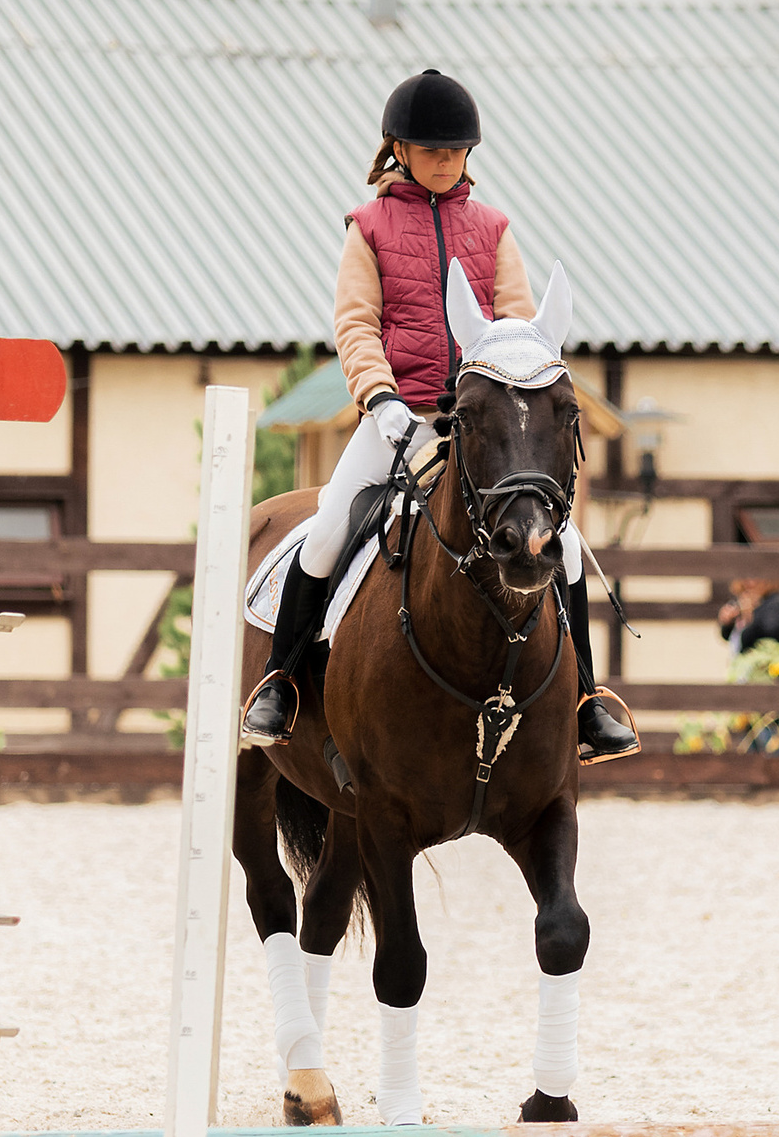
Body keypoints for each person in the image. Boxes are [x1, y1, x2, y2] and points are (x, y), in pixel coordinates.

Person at [239, 67, 640, 765]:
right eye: (433, 151)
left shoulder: (492, 227)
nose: (446, 161)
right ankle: (280, 682)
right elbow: (356, 326)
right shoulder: (367, 227)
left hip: (486, 426)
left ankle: (586, 700)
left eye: (456, 151)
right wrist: (382, 397)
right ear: (399, 147)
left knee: (565, 545)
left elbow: (518, 322)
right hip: (400, 415)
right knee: (330, 527)